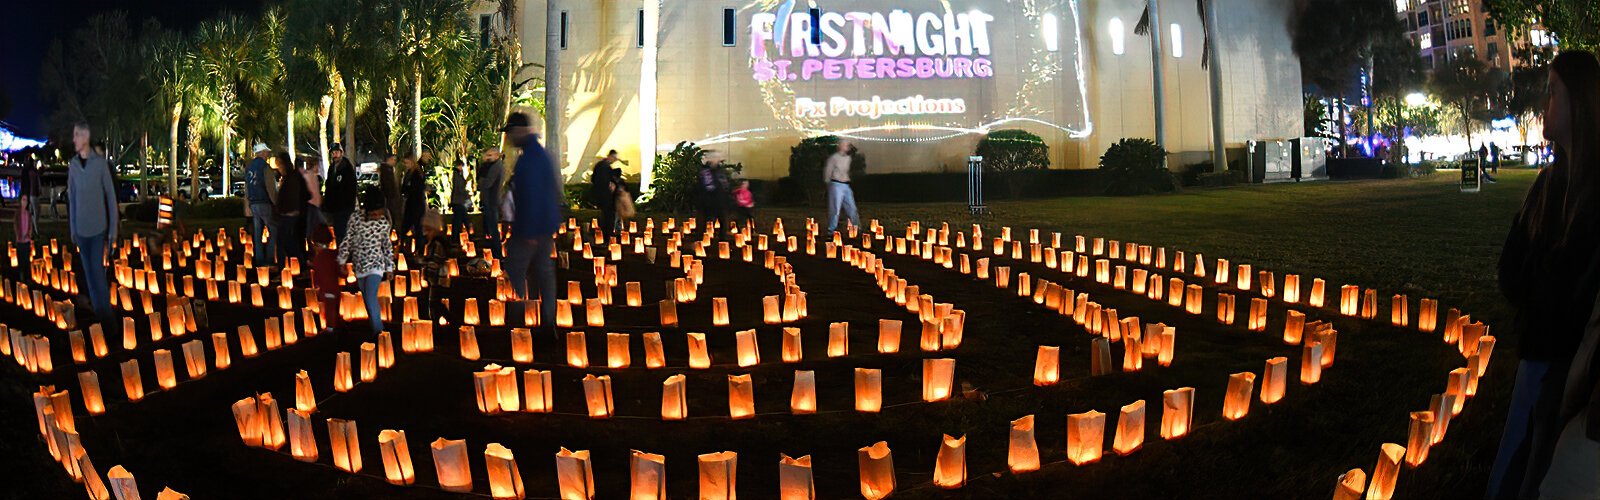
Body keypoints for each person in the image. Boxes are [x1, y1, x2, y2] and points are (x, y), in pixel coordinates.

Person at [1489, 51, 1600, 499]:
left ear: (1582, 103)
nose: (1544, 105)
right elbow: (1509, 270)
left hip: (1572, 365)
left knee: (1540, 467)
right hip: (1535, 356)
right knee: (1517, 459)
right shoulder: (1545, 186)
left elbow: (1577, 291)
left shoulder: (1594, 198)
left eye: (1552, 92)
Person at [501, 112, 561, 330]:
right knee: (541, 274)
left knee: (516, 270)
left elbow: (533, 195)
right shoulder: (537, 155)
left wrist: (529, 233)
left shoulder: (531, 159)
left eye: (511, 132)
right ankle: (543, 321)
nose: (509, 137)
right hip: (541, 227)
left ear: (521, 131)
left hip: (531, 229)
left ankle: (522, 321)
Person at [67, 122, 118, 322]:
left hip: (98, 229)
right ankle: (100, 316)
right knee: (90, 276)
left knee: (98, 275)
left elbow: (112, 200)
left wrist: (112, 231)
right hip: (81, 230)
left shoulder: (100, 166)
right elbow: (72, 199)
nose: (73, 140)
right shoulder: (73, 165)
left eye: (77, 136)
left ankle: (108, 321)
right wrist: (73, 230)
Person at [340, 187, 395, 335]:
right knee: (367, 300)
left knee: (370, 298)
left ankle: (379, 333)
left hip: (376, 265)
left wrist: (389, 267)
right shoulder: (356, 219)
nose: (377, 216)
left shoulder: (383, 223)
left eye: (380, 213)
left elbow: (387, 245)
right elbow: (348, 239)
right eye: (375, 213)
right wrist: (342, 260)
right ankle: (375, 327)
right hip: (359, 266)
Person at [273, 151, 311, 261]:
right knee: (290, 242)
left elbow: (293, 195)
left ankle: (287, 267)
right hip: (288, 213)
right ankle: (299, 263)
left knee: (284, 242)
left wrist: (290, 210)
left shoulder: (292, 178)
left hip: (289, 214)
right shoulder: (289, 177)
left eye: (279, 164)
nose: (278, 168)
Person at [245, 143, 277, 265]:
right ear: (262, 153)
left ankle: (259, 259)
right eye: (266, 152)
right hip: (264, 202)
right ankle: (269, 258)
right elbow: (270, 187)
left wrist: (247, 205)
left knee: (257, 234)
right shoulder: (265, 167)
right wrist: (275, 203)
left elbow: (247, 188)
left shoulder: (250, 167)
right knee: (273, 230)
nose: (267, 154)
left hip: (253, 203)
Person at [323, 143, 359, 241]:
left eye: (337, 152)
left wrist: (347, 203)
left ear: (341, 153)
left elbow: (351, 188)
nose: (335, 155)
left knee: (345, 232)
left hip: (345, 207)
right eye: (333, 153)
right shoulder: (332, 168)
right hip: (336, 208)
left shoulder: (346, 168)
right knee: (338, 232)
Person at [310, 225, 342, 332]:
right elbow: (341, 272)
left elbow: (317, 275)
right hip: (335, 289)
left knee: (329, 310)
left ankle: (330, 330)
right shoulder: (335, 255)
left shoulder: (317, 259)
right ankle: (337, 327)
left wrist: (316, 286)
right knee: (335, 309)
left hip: (325, 289)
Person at [824, 140, 861, 233]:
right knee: (835, 208)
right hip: (836, 184)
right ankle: (831, 230)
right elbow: (828, 171)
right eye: (845, 145)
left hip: (845, 184)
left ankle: (857, 228)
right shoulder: (834, 158)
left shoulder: (848, 158)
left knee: (852, 207)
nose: (847, 147)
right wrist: (828, 183)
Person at [589, 150, 623, 240]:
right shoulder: (604, 166)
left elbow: (594, 179)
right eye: (614, 158)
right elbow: (603, 180)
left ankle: (606, 234)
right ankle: (607, 235)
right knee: (608, 216)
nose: (614, 160)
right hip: (606, 196)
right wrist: (610, 184)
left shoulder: (601, 165)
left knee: (606, 215)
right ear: (610, 156)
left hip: (602, 196)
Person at [477, 148, 506, 243]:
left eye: (490, 155)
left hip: (492, 200)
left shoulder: (496, 167)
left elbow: (487, 183)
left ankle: (496, 251)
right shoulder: (494, 166)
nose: (487, 158)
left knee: (493, 227)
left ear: (497, 155)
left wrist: (481, 180)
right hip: (491, 200)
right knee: (491, 226)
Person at [399, 154, 427, 247]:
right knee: (414, 227)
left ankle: (419, 248)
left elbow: (415, 189)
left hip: (415, 205)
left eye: (407, 162)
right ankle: (416, 247)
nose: (406, 165)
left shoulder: (416, 174)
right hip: (412, 204)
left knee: (416, 228)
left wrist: (406, 189)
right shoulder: (409, 173)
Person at [15, 157, 38, 246]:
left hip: (27, 193)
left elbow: (24, 183)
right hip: (27, 193)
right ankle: (27, 232)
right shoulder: (28, 171)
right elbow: (25, 183)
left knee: (27, 213)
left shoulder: (26, 171)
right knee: (27, 213)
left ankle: (27, 232)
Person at [449, 158, 472, 236]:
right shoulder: (457, 174)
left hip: (458, 201)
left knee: (460, 219)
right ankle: (460, 236)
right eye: (461, 166)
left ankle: (465, 234)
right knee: (460, 219)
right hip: (459, 201)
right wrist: (466, 195)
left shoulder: (458, 174)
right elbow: (459, 188)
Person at [378, 154, 401, 225]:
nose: (394, 162)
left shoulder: (387, 169)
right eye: (393, 160)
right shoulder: (387, 170)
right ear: (389, 159)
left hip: (390, 197)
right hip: (390, 198)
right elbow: (388, 185)